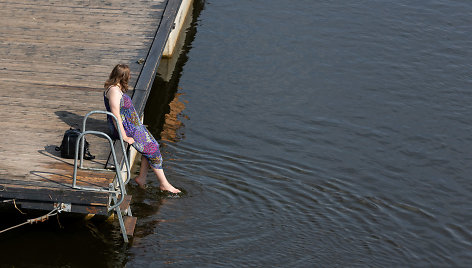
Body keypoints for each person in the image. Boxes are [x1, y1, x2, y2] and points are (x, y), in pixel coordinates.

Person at [104, 64, 181, 193]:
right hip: (127, 129)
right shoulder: (113, 91)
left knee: (154, 145)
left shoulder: (116, 89)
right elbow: (115, 116)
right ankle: (164, 184)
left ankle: (142, 178)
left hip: (133, 126)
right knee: (153, 151)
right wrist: (124, 136)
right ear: (124, 77)